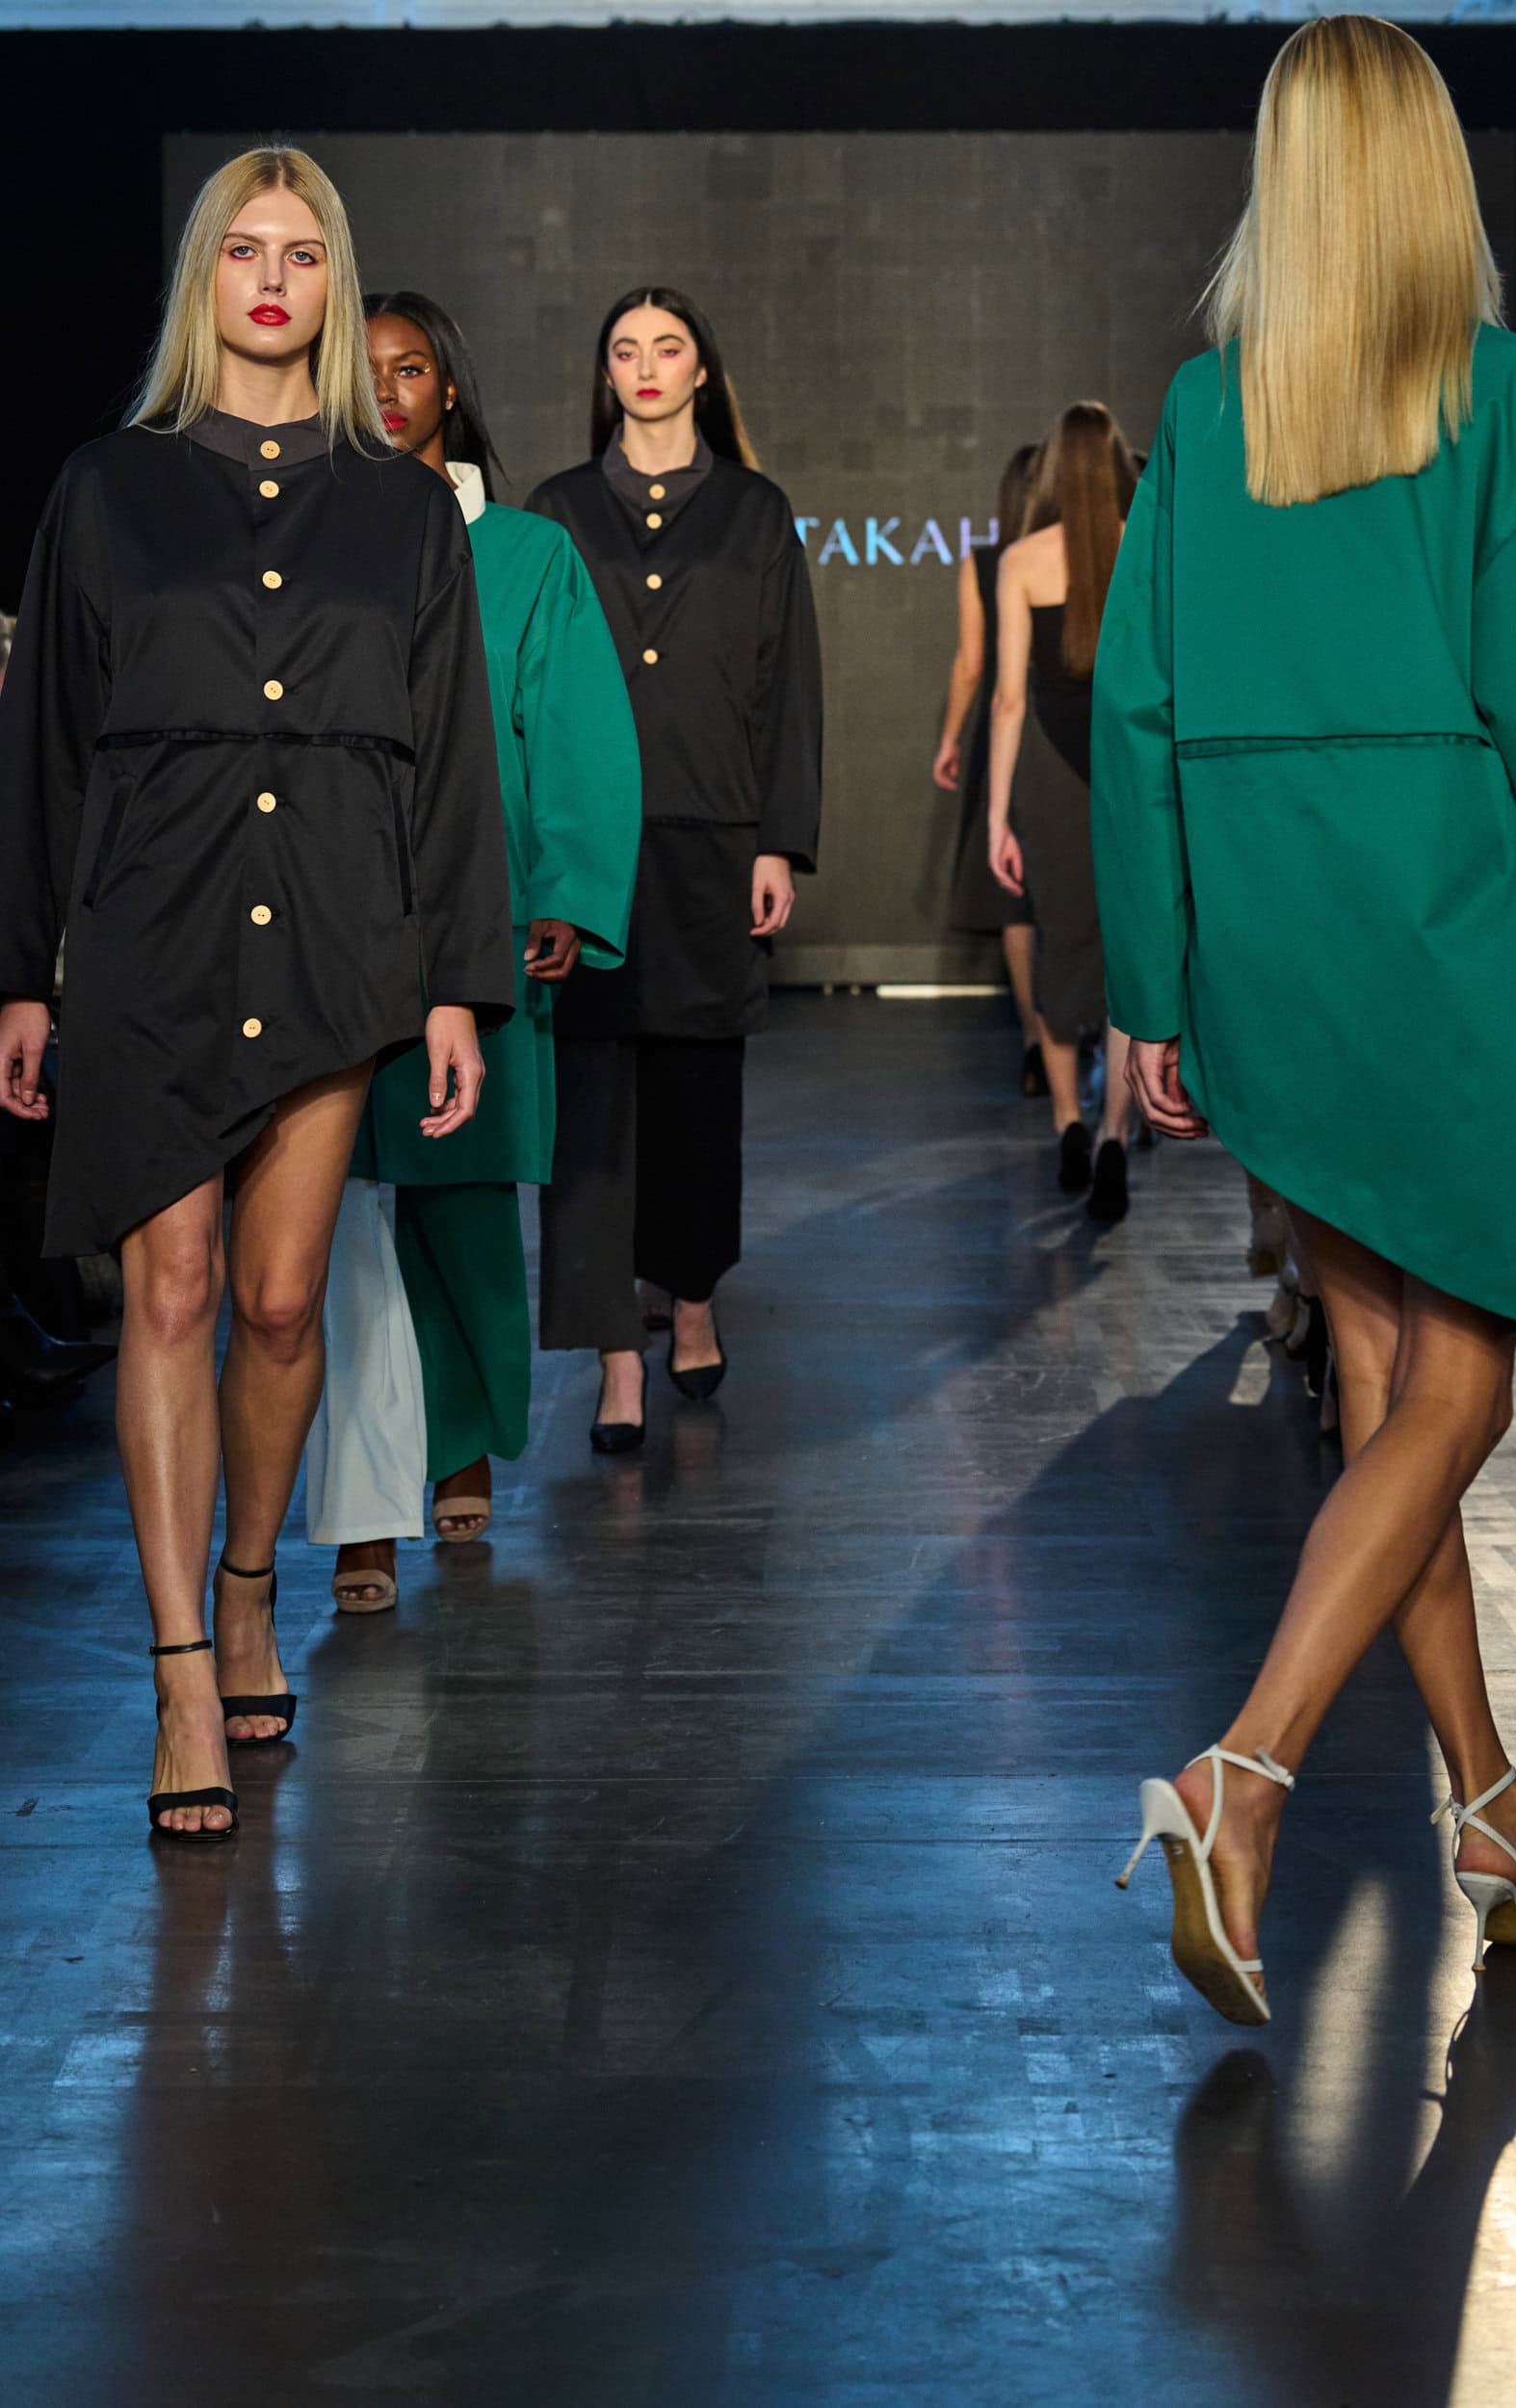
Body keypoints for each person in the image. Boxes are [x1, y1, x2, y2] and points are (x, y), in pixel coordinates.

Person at [1095, 16, 1516, 2022]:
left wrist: (1152, 986)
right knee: (1458, 1404)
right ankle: (1244, 1773)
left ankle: (1494, 1825)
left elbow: (1136, 709)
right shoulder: (1515, 399)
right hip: (1443, 921)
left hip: (1270, 930)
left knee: (1390, 1403)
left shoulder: (1206, 408)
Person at [0, 149, 512, 1840]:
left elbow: (451, 757)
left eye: (302, 254)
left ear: (334, 283)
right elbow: (42, 741)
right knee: (171, 1285)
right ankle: (177, 1682)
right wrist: (19, 973)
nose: (274, 280)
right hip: (149, 928)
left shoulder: (400, 510)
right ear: (202, 280)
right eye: (244, 251)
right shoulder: (107, 488)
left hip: (338, 934)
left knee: (283, 1303)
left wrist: (457, 982)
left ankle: (244, 1592)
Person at [305, 290, 640, 1610]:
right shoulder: (306, 543)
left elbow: (573, 726)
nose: (386, 392)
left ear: (449, 389)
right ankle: (366, 1508)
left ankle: (459, 1438)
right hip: (330, 921)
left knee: (458, 1206)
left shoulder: (527, 555)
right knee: (337, 1222)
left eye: (409, 370)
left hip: (478, 921)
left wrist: (565, 890)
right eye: (364, 372)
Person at [526, 287, 822, 1450]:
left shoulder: (754, 510)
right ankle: (615, 1358)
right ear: (604, 373)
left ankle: (690, 1300)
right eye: (624, 350)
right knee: (590, 1112)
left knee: (697, 1098)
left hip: (711, 841)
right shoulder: (557, 509)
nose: (645, 366)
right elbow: (533, 687)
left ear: (702, 371)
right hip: (587, 851)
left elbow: (786, 685)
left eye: (667, 347)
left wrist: (776, 841)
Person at [990, 405, 1139, 1221]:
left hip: (1048, 777)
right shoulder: (1144, 544)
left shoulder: (1020, 560)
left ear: (1049, 470)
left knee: (1058, 952)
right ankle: (1116, 1133)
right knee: (1127, 963)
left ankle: (1067, 1124)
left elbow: (1009, 699)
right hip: (1127, 772)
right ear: (1116, 464)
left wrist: (995, 818)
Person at [936, 443, 1048, 1095]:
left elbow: (970, 663)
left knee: (1014, 898)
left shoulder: (986, 562)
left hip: (1003, 739)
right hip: (1066, 732)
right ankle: (1084, 1039)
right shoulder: (1083, 554)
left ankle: (1036, 1040)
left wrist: (950, 738)